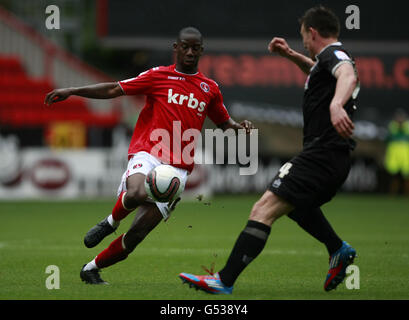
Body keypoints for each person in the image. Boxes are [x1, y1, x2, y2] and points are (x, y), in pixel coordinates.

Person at [44, 27, 254, 284]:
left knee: (136, 235)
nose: (189, 52)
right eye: (185, 46)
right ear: (175, 47)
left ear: (201, 50)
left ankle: (91, 268)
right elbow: (114, 89)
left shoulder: (209, 88)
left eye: (195, 48)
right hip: (149, 151)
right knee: (135, 193)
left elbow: (224, 122)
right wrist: (73, 90)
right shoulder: (158, 76)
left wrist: (238, 127)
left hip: (179, 168)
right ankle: (110, 222)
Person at [179, 6, 360, 294]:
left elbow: (346, 74)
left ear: (313, 33)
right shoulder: (326, 61)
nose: (304, 43)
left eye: (303, 37)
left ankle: (223, 281)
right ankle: (338, 249)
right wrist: (290, 55)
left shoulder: (334, 55)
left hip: (321, 154)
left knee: (263, 208)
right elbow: (320, 71)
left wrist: (337, 105)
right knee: (298, 207)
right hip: (333, 157)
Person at [384, 108, 409, 195]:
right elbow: (387, 139)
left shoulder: (407, 126)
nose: (400, 119)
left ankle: (406, 194)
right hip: (394, 155)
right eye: (398, 117)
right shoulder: (392, 126)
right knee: (393, 176)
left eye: (401, 117)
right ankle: (392, 193)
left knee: (406, 176)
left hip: (406, 155)